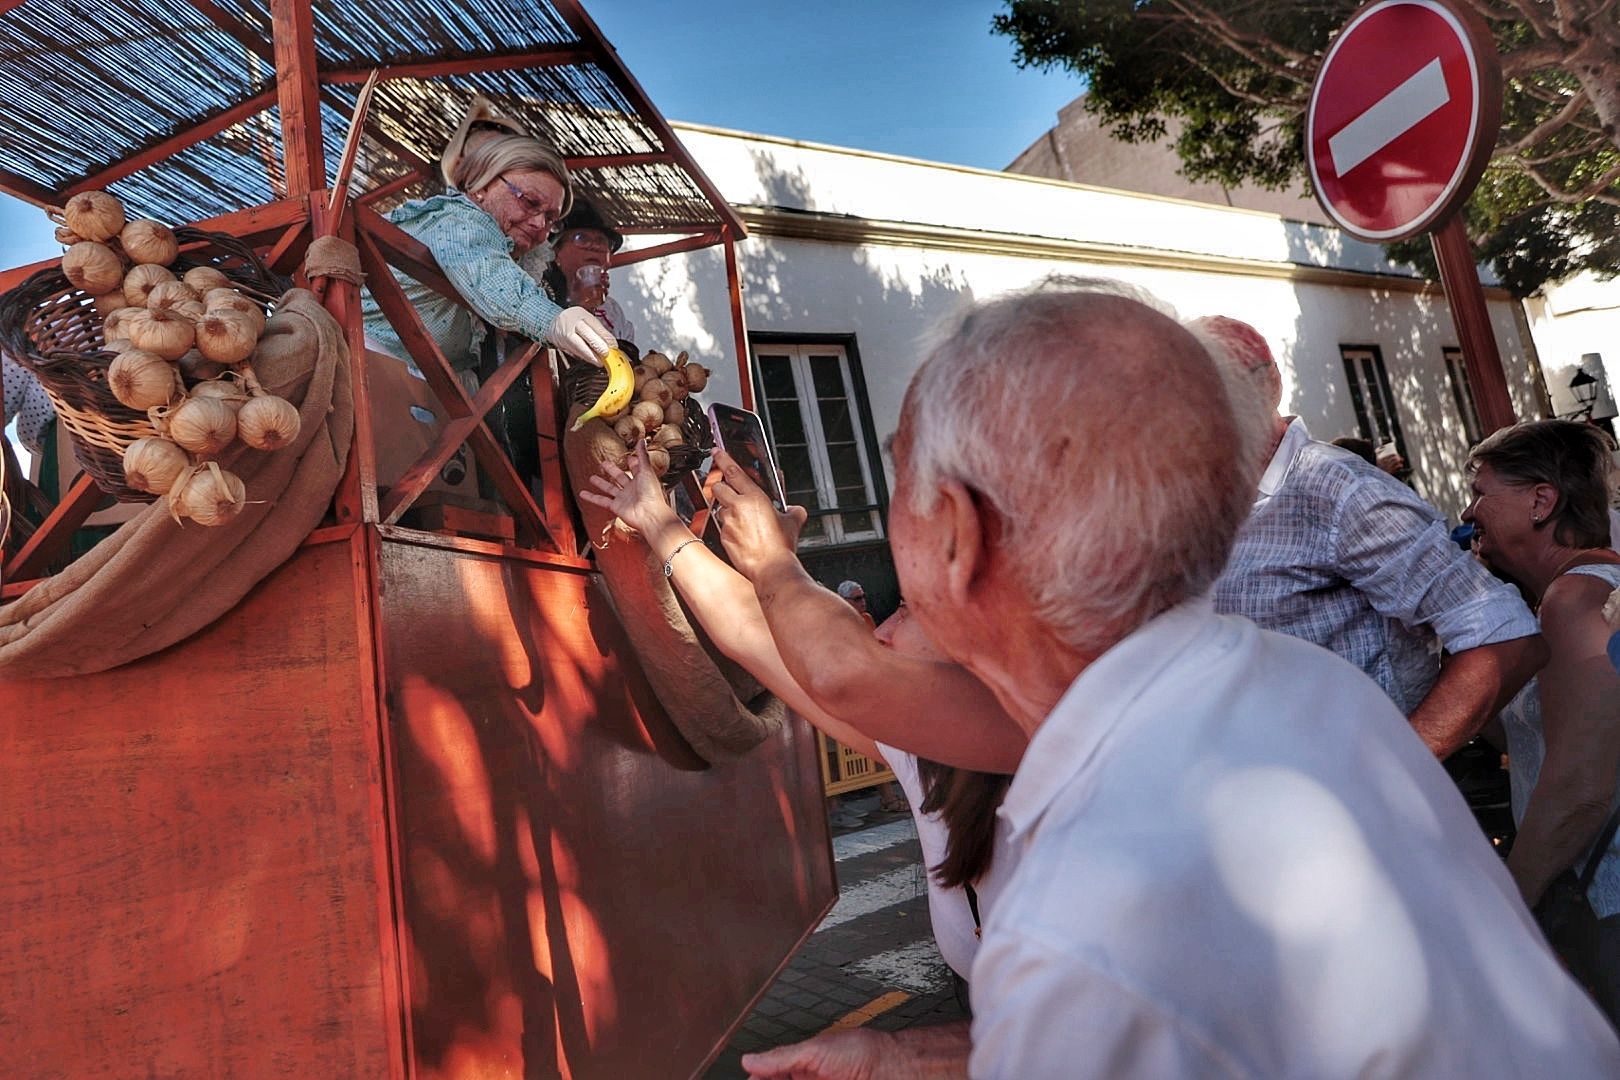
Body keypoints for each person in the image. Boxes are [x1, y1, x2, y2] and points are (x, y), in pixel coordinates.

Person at [723, 278, 1618, 1078]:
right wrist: (899, 1056)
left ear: (957, 533)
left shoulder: (1082, 920)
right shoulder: (1310, 685)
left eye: (900, 482)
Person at [579, 446, 1016, 981]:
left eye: (908, 610)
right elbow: (754, 636)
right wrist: (657, 520)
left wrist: (774, 564)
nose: (881, 632)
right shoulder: (927, 752)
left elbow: (841, 672)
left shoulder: (1049, 747)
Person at [1193, 315, 1543, 759]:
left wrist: (1396, 770)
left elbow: (1504, 635)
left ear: (1270, 386)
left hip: (1360, 807)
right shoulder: (1209, 503)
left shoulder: (1340, 489)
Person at [1463, 420, 1620, 1021]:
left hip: (1606, 904)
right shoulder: (1566, 597)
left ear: (1541, 501)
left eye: (1481, 492)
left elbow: (1578, 790)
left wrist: (1509, 907)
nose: (1469, 509)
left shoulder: (1576, 601)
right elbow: (1530, 740)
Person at [360, 95, 615, 377]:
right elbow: (487, 272)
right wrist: (553, 320)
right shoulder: (458, 220)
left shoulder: (515, 254)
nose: (540, 225)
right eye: (529, 202)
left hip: (409, 392)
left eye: (551, 219)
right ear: (480, 184)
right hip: (361, 375)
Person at [534, 197, 637, 355]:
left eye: (602, 241)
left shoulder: (613, 311)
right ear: (555, 251)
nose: (595, 246)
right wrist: (577, 305)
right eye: (581, 238)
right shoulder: (535, 287)